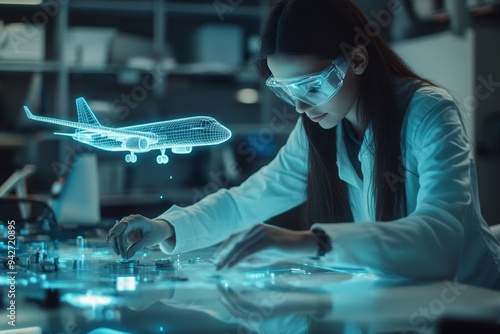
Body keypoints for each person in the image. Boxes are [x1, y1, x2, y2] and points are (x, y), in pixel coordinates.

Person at [107, 0, 500, 290]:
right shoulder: (320, 127)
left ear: (358, 59)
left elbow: (440, 238)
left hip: (472, 300)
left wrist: (315, 242)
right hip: (401, 298)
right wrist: (165, 226)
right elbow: (247, 201)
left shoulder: (429, 112)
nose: (300, 105)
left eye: (312, 86)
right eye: (285, 89)